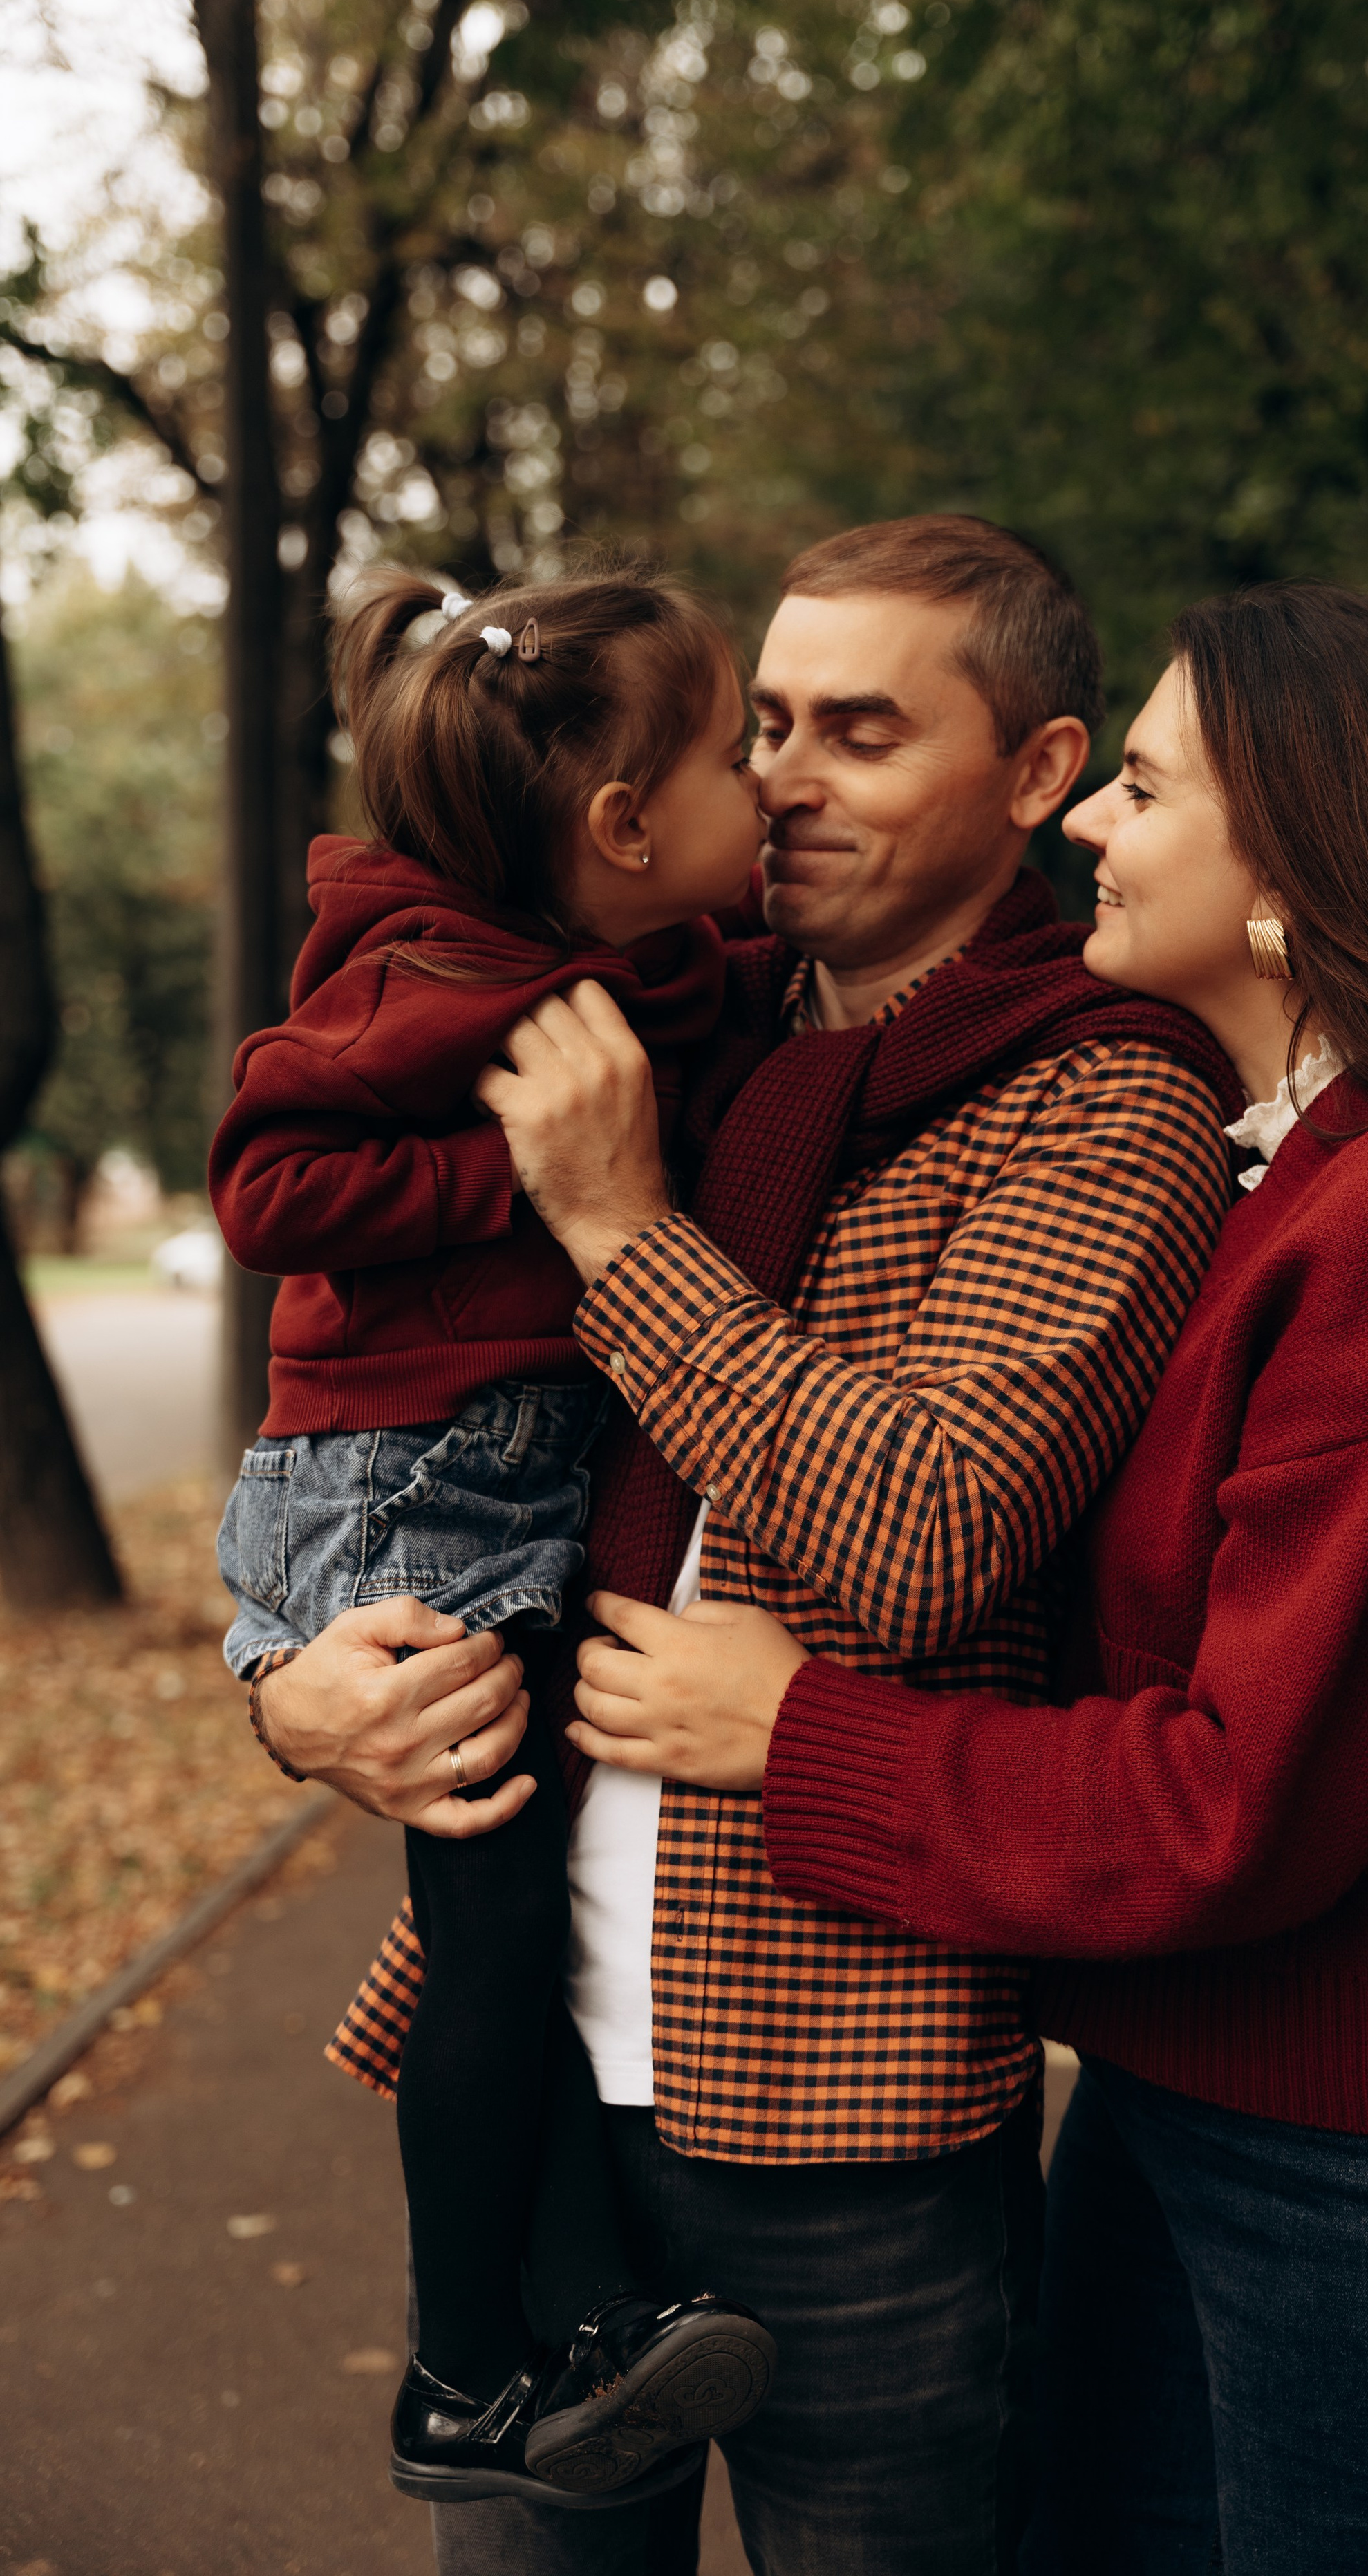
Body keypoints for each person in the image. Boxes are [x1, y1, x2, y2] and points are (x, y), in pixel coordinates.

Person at [560, 581, 1368, 2576]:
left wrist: (799, 1732)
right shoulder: (1298, 1169)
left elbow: (1233, 1802)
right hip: (1195, 2120)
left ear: (1298, 853)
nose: (1091, 828)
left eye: (1139, 784)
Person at [250, 515, 1244, 2576]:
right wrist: (295, 1687)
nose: (785, 776)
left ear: (1037, 771)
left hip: (840, 2079)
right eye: (766, 722)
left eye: (861, 733)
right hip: (539, 2048)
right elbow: (409, 1402)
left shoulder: (1104, 1100)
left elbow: (924, 1536)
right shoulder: (666, 1021)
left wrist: (621, 1224)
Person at [209, 563, 776, 2512]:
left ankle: (552, 2331)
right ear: (620, 826)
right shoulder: (440, 983)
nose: (766, 778)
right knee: (492, 1932)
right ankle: (466, 2368)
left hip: (482, 1456)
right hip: (407, 1481)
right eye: (736, 750)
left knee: (502, 1929)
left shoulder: (600, 939)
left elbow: (701, 987)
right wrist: (526, 1181)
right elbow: (267, 1179)